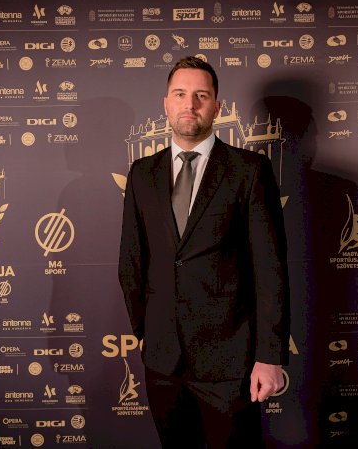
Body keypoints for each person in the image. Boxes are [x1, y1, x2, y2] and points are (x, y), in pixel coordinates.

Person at [118, 56, 290, 448]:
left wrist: (269, 356)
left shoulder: (249, 170)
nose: (189, 104)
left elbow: (270, 269)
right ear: (166, 104)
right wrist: (147, 333)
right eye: (180, 94)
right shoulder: (142, 173)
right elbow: (131, 261)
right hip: (163, 361)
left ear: (216, 105)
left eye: (201, 95)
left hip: (231, 362)